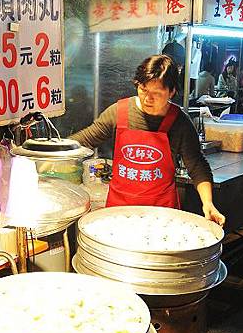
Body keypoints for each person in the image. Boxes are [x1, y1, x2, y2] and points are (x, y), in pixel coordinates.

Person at [70, 55, 225, 226]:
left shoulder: (179, 122)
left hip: (162, 215)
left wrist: (208, 203)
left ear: (172, 91)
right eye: (143, 89)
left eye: (157, 93)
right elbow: (85, 139)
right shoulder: (119, 112)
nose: (147, 99)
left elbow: (197, 166)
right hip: (119, 213)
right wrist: (49, 153)